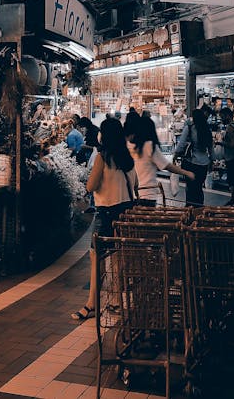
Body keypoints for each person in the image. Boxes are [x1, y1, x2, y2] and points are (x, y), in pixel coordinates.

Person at [71, 117, 138, 321]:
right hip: (125, 212)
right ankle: (117, 301)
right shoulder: (127, 158)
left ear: (104, 136)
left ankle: (92, 304)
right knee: (119, 259)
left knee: (96, 259)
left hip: (107, 213)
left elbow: (91, 186)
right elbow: (135, 186)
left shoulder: (102, 157)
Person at [128, 115, 195, 206]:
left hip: (132, 193)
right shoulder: (149, 146)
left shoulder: (130, 146)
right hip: (148, 194)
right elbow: (167, 166)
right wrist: (186, 173)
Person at [174, 108, 212, 207]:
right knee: (199, 188)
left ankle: (190, 210)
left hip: (191, 163)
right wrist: (211, 161)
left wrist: (175, 155)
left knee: (190, 189)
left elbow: (181, 145)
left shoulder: (190, 128)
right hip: (203, 163)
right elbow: (211, 148)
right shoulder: (207, 130)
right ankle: (199, 209)